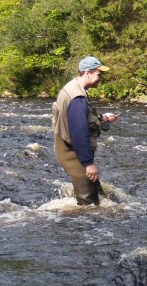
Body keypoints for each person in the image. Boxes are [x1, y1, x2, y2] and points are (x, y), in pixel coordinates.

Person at [51, 56, 120, 205]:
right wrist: (89, 163)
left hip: (69, 149)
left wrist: (103, 118)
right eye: (98, 74)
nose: (100, 78)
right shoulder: (78, 98)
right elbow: (79, 132)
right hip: (73, 152)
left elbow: (79, 120)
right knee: (88, 206)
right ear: (88, 73)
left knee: (96, 194)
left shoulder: (72, 88)